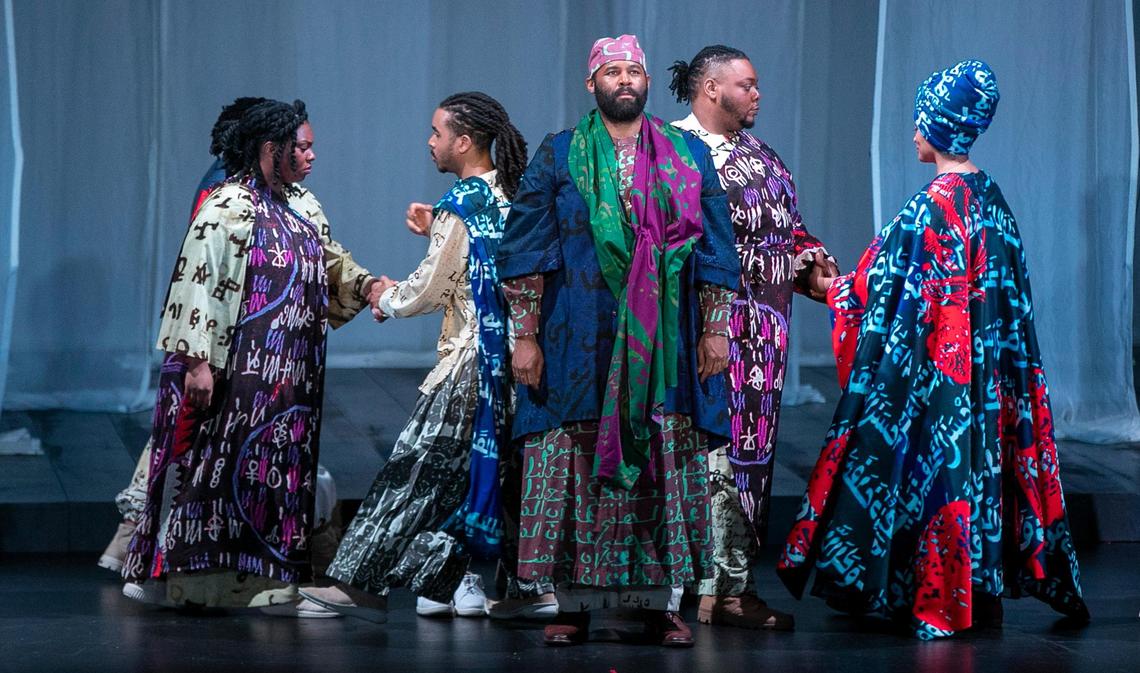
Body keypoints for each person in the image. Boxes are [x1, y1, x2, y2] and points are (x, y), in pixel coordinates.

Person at [776, 60, 1090, 639]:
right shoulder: (991, 199)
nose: (913, 131)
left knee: (933, 474)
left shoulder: (934, 205)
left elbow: (882, 290)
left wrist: (822, 285)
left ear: (941, 125)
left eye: (920, 120)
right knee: (981, 475)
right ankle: (981, 595)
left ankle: (940, 597)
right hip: (990, 382)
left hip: (939, 383)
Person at [496, 35, 740, 647]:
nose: (625, 80)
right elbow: (524, 249)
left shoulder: (685, 154)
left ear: (648, 80)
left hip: (666, 344)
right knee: (573, 464)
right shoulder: (557, 155)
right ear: (592, 84)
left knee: (662, 461)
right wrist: (524, 336)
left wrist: (715, 327)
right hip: (578, 338)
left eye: (635, 70)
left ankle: (660, 606)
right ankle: (573, 607)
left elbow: (714, 245)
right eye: (613, 71)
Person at [300, 92, 552, 623]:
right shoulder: (516, 193)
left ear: (464, 142)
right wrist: (438, 223)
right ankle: (532, 588)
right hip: (519, 360)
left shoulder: (463, 202)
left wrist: (385, 298)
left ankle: (361, 583)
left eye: (437, 133)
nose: (430, 142)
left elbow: (432, 286)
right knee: (506, 474)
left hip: (473, 364)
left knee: (416, 468)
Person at [121, 99, 383, 610]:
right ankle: (196, 582)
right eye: (301, 147)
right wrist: (198, 362)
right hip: (236, 377)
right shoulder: (227, 207)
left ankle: (275, 580)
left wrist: (371, 287)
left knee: (279, 478)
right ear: (271, 149)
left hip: (291, 383)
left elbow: (332, 264)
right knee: (213, 472)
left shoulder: (304, 205)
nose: (311, 156)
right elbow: (196, 287)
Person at [669, 45, 837, 632]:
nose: (757, 94)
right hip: (697, 332)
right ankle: (683, 587)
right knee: (695, 455)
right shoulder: (669, 151)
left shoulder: (761, 155)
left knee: (749, 458)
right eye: (747, 85)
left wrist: (811, 264)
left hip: (763, 338)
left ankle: (730, 588)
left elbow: (786, 229)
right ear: (710, 89)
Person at [99, 97, 268, 576]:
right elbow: (205, 271)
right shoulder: (225, 189)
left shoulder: (234, 184)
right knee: (183, 433)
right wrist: (199, 352)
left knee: (188, 433)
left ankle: (139, 542)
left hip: (215, 330)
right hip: (212, 333)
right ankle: (139, 540)